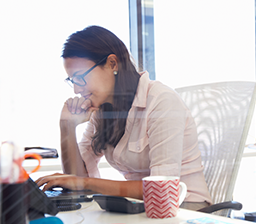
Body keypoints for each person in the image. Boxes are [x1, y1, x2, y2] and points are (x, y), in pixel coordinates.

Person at [35, 25, 212, 210]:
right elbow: (77, 180)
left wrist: (86, 183)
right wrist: (67, 127)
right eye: (72, 80)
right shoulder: (103, 110)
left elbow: (162, 190)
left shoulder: (161, 101)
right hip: (140, 207)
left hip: (184, 207)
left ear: (112, 63)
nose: (77, 90)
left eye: (80, 77)